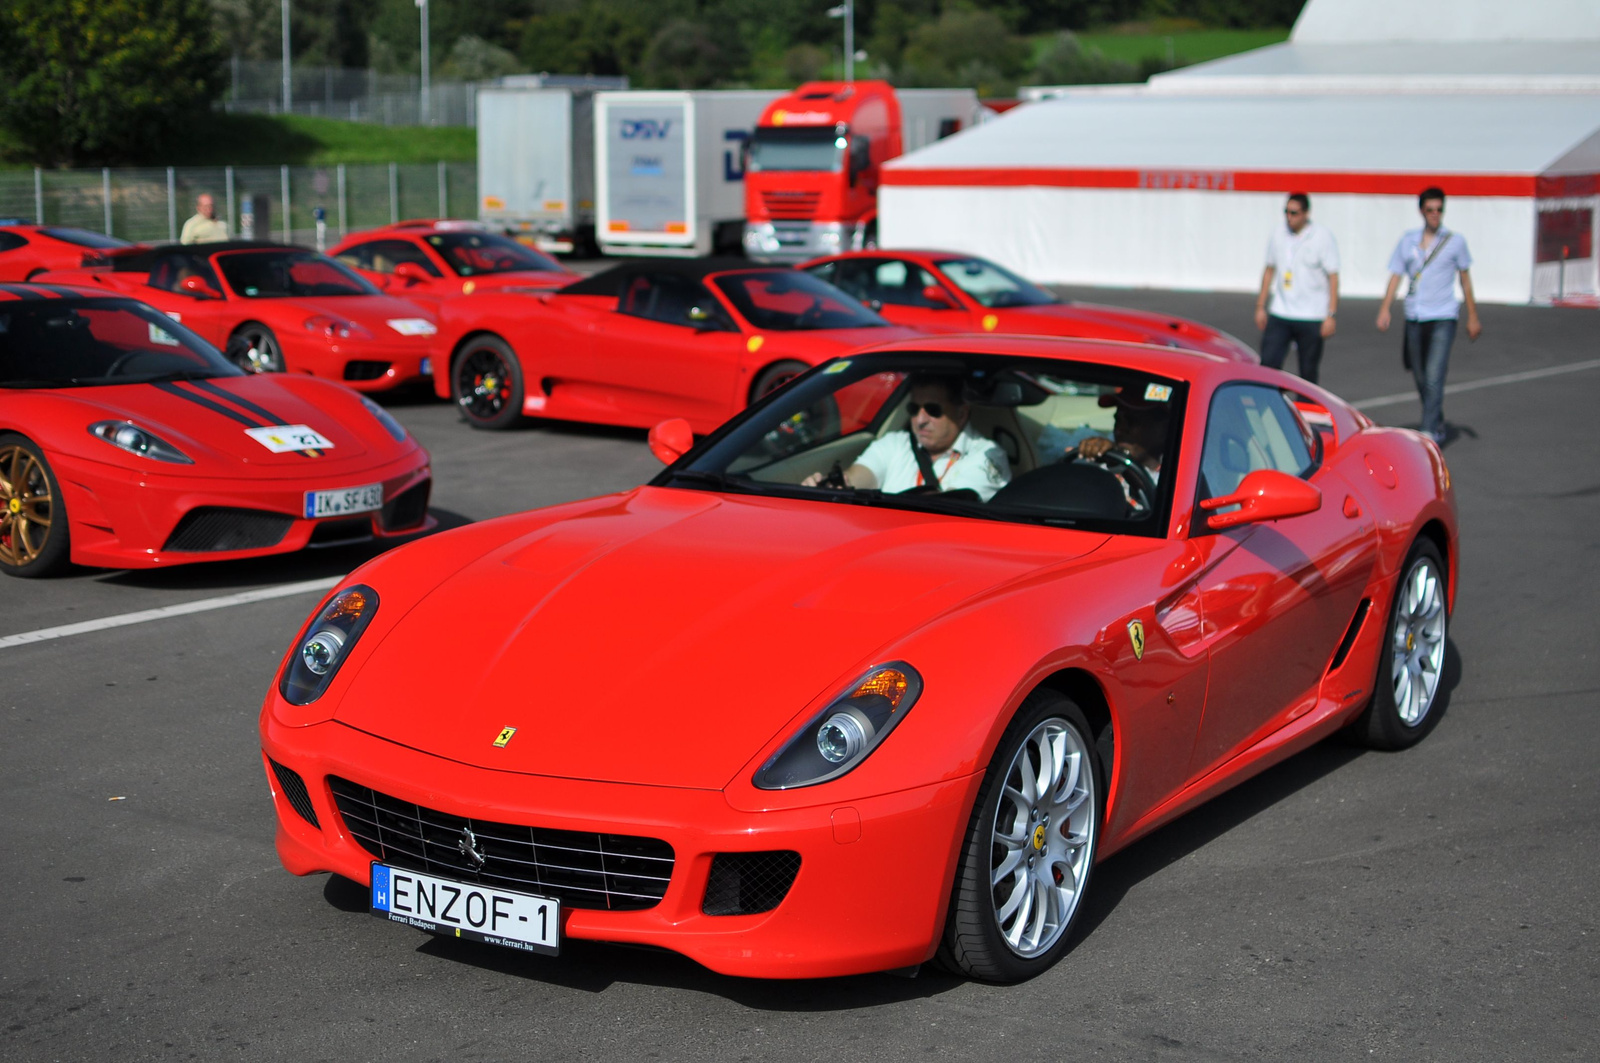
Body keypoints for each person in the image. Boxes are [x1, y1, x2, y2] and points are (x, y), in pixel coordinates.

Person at [1376, 187, 1481, 445]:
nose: (1435, 214)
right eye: (1430, 210)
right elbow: (1395, 275)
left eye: (1439, 209)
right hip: (1415, 316)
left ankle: (1428, 432)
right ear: (1422, 211)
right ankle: (1437, 420)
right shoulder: (1408, 240)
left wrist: (1473, 316)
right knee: (1421, 377)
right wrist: (1385, 307)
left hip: (1443, 316)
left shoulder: (1455, 242)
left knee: (1434, 375)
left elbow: (1465, 281)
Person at [803, 374, 1010, 500]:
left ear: (962, 413)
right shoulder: (894, 443)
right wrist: (835, 487)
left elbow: (951, 508)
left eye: (932, 410)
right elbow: (858, 477)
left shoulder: (987, 456)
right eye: (913, 408)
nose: (920, 419)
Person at [1253, 192, 1339, 384]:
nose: (1289, 217)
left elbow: (1333, 277)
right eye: (1286, 212)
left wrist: (1330, 315)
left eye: (1294, 213)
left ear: (1306, 213)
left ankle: (1306, 411)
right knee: (1268, 366)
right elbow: (1269, 270)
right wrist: (1260, 307)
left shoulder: (1322, 236)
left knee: (1308, 372)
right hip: (1281, 312)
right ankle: (1266, 408)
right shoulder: (1278, 233)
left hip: (1312, 315)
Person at [1072, 390, 1170, 510]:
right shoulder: (1099, 465)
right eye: (1118, 420)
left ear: (1162, 430)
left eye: (1132, 421)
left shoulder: (1178, 479)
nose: (1120, 429)